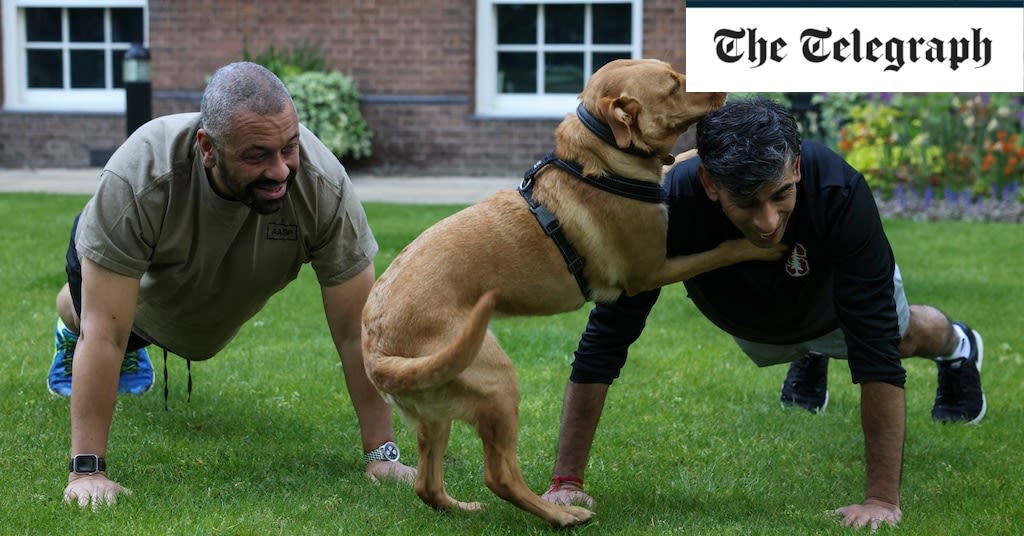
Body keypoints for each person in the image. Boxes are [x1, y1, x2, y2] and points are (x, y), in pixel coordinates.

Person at [541, 97, 986, 530]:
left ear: (795, 167)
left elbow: (876, 348)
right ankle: (809, 355)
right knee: (794, 333)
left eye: (780, 195)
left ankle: (959, 347)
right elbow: (607, 336)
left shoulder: (837, 189)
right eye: (747, 203)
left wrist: (881, 501)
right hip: (751, 316)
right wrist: (565, 483)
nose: (768, 221)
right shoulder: (665, 207)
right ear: (711, 184)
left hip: (833, 302)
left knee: (901, 337)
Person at [49, 61, 416, 508]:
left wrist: (382, 455)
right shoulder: (141, 175)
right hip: (139, 271)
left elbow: (356, 331)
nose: (281, 170)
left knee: (187, 323)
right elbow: (105, 334)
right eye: (257, 155)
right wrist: (87, 471)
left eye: (289, 147)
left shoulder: (323, 188)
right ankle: (70, 324)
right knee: (102, 322)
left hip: (211, 287)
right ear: (207, 147)